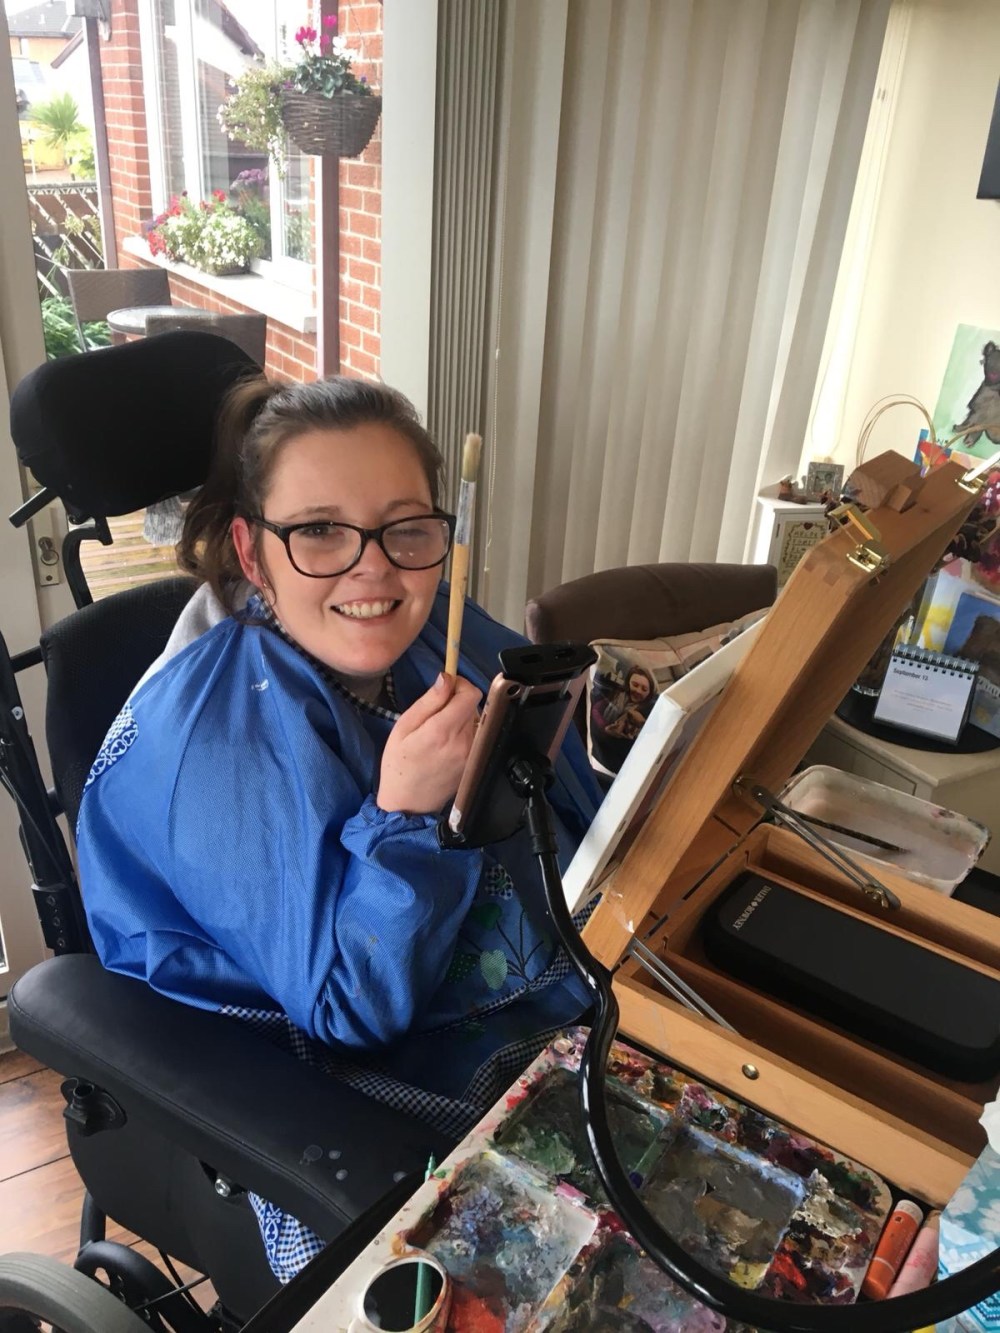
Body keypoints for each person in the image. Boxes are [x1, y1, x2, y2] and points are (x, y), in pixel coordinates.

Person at [75, 375, 603, 1282]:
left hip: (526, 1002)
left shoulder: (438, 629)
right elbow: (347, 1013)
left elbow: (564, 818)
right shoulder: (213, 737)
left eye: (407, 529)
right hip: (323, 1068)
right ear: (252, 550)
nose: (374, 569)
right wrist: (406, 814)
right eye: (320, 529)